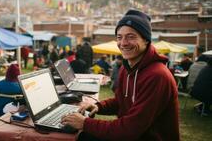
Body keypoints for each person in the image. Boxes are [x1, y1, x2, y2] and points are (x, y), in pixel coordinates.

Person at [61, 9, 180, 141]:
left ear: (146, 40)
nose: (123, 43)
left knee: (81, 137)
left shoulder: (157, 76)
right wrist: (98, 106)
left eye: (131, 37)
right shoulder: (127, 67)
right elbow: (120, 101)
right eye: (119, 37)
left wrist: (85, 123)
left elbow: (130, 130)